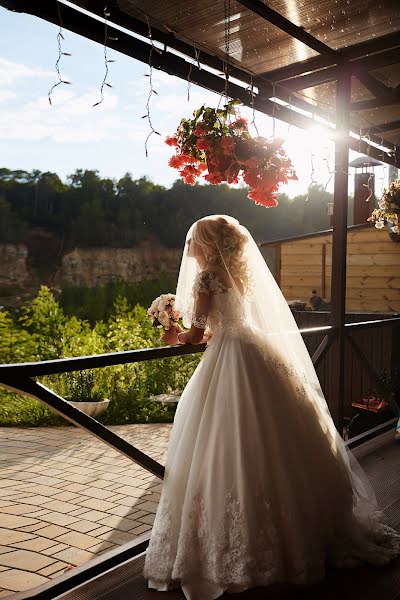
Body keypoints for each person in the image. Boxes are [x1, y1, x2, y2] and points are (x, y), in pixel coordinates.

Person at [143, 215, 400, 600]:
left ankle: (239, 552)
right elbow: (227, 322)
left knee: (227, 442)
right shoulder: (237, 275)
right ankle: (298, 538)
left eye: (193, 242)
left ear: (208, 245)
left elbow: (195, 335)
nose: (189, 248)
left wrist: (169, 333)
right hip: (253, 351)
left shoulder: (205, 278)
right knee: (272, 440)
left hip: (229, 360)